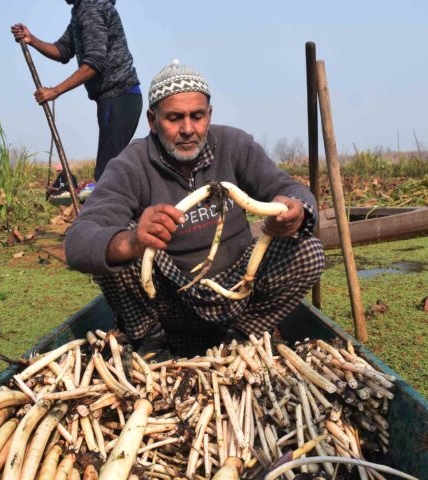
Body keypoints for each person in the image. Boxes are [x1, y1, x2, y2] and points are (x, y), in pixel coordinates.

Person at [64, 61, 325, 354]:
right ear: (152, 120)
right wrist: (132, 242)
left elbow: (289, 189)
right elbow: (79, 240)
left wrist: (297, 209)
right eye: (174, 118)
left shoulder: (235, 145)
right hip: (169, 300)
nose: (188, 129)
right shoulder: (130, 165)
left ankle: (240, 337)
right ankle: (151, 341)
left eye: (197, 116)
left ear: (209, 115)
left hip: (239, 289)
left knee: (308, 250)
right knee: (118, 240)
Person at [11, 0, 142, 181]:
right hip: (112, 99)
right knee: (107, 170)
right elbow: (62, 50)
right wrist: (31, 40)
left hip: (119, 97)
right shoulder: (80, 11)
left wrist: (55, 91)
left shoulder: (91, 9)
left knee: (107, 174)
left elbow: (94, 63)